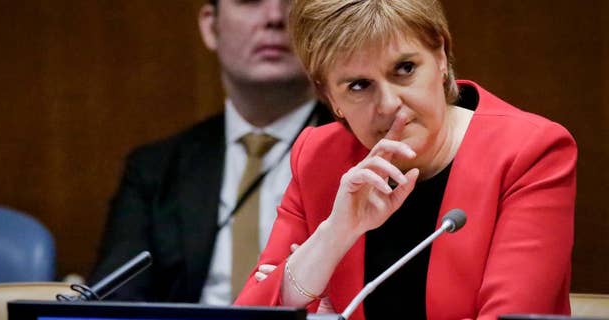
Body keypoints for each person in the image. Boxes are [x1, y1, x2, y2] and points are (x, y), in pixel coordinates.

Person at [234, 1, 577, 319]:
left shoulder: (529, 155)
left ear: (441, 57)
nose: (388, 104)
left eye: (405, 68)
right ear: (330, 98)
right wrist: (334, 234)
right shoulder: (318, 157)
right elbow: (251, 315)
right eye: (358, 85)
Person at [89, 0, 332, 304]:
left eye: (291, 3)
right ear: (210, 25)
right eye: (250, 1)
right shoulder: (154, 168)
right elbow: (113, 299)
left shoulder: (365, 153)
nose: (273, 17)